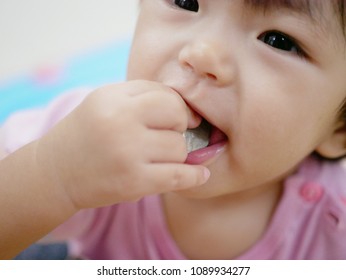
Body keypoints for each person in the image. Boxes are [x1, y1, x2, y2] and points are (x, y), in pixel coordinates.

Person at [1, 0, 346, 260]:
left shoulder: (336, 221)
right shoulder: (86, 138)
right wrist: (56, 175)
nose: (201, 54)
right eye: (186, 1)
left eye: (277, 40)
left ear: (339, 131)